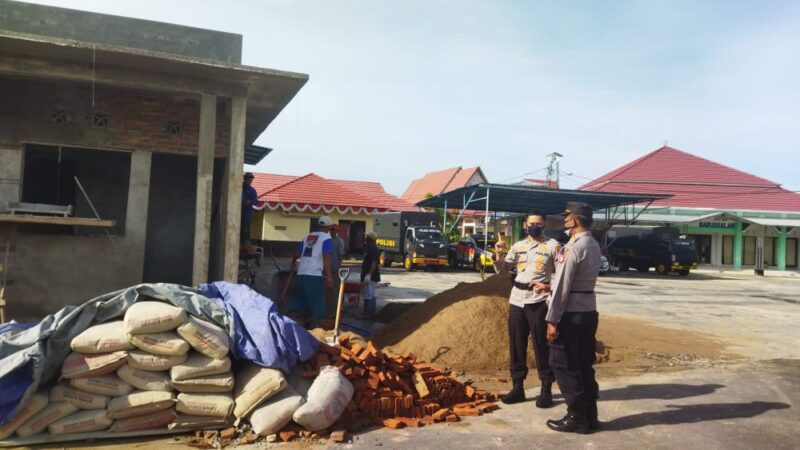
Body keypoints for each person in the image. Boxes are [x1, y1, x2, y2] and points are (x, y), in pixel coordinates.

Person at [545, 202, 602, 434]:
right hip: (588, 311)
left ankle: (577, 415)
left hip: (570, 314)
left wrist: (552, 319)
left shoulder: (573, 248)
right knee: (583, 364)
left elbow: (561, 286)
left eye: (568, 216)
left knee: (564, 363)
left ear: (576, 220)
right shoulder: (594, 244)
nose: (565, 220)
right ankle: (590, 415)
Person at [494, 212, 560, 408]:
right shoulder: (518, 246)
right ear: (525, 225)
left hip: (538, 301)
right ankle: (517, 388)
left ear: (544, 224)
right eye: (532, 224)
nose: (535, 226)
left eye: (538, 224)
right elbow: (502, 270)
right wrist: (499, 253)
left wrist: (550, 288)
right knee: (516, 344)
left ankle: (546, 389)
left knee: (541, 345)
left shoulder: (552, 246)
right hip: (517, 300)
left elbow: (562, 273)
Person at [289, 216, 335, 328]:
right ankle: (315, 328)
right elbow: (326, 257)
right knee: (317, 301)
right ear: (328, 227)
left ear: (318, 225)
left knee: (300, 299)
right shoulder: (326, 238)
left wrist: (293, 262)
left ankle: (295, 325)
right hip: (314, 275)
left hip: (301, 273)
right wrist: (329, 276)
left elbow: (297, 253)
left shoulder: (307, 237)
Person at [360, 232, 381, 319]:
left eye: (367, 238)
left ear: (370, 240)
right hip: (372, 275)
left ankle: (367, 314)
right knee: (371, 294)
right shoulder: (371, 248)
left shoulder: (372, 248)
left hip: (372, 276)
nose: (366, 239)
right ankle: (371, 314)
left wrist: (369, 274)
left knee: (368, 295)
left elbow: (374, 262)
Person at [241, 172, 258, 245]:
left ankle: (246, 243)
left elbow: (255, 201)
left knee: (246, 228)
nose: (250, 180)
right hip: (238, 212)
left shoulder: (252, 190)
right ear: (245, 179)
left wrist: (250, 202)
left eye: (251, 179)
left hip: (247, 212)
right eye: (248, 179)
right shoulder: (239, 187)